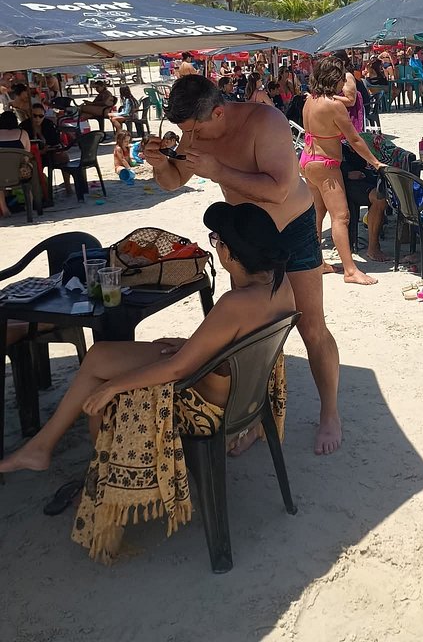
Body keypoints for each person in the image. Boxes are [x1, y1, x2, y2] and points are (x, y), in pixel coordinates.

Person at [0, 202, 295, 559]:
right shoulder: (279, 285)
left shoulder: (236, 300)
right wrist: (193, 345)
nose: (215, 246)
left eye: (216, 240)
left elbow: (176, 371)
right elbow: (237, 339)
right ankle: (44, 449)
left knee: (102, 389)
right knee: (101, 357)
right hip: (238, 388)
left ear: (230, 253)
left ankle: (85, 477)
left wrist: (115, 386)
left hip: (204, 400)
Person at [143, 74, 342, 455]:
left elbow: (279, 188)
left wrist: (217, 171)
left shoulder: (265, 121)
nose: (192, 137)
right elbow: (173, 181)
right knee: (253, 336)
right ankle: (254, 418)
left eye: (197, 128)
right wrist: (157, 163)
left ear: (218, 110)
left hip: (291, 226)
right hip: (248, 238)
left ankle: (330, 412)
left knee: (310, 326)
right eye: (187, 131)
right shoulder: (196, 129)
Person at [300, 56, 386, 285]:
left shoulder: (310, 100)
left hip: (308, 160)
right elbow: (355, 139)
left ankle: (315, 263)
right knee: (341, 217)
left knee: (317, 214)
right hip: (325, 164)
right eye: (341, 79)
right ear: (334, 79)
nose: (344, 84)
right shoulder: (333, 105)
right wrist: (375, 162)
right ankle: (350, 270)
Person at [341, 142, 388, 263]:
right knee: (379, 198)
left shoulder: (350, 141)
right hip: (344, 183)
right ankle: (373, 247)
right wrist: (346, 174)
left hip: (364, 176)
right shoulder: (330, 141)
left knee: (393, 191)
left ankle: (407, 235)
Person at [21, 102, 72, 193]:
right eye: (34, 115)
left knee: (64, 157)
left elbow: (55, 140)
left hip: (49, 152)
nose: (37, 118)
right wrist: (40, 151)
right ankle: (42, 191)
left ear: (44, 115)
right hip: (33, 155)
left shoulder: (48, 124)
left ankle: (68, 186)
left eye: (40, 116)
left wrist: (41, 136)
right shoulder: (24, 127)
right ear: (29, 114)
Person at [0, 110, 32, 217]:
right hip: (19, 174)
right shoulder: (23, 134)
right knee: (32, 170)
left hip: (0, 175)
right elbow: (27, 156)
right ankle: (29, 204)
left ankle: (4, 208)